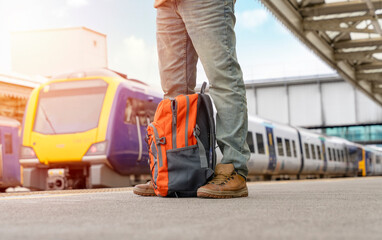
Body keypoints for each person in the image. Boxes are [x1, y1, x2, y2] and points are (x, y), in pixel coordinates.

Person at [133, 0, 251, 198]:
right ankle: (175, 174)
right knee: (174, 93)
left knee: (223, 78)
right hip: (166, 4)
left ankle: (234, 168)